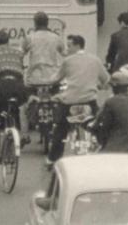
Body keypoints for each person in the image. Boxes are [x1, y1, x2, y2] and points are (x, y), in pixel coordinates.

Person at [47, 35, 110, 165]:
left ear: (77, 45)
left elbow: (55, 79)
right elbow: (107, 81)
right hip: (89, 102)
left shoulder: (68, 61)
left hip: (69, 102)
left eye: (69, 46)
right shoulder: (95, 60)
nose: (67, 49)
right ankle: (103, 153)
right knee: (98, 126)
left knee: (60, 129)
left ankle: (52, 159)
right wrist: (99, 87)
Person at [23, 11, 65, 88]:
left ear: (35, 23)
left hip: (34, 78)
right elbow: (64, 53)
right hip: (52, 77)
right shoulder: (56, 37)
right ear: (47, 23)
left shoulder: (30, 37)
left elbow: (21, 54)